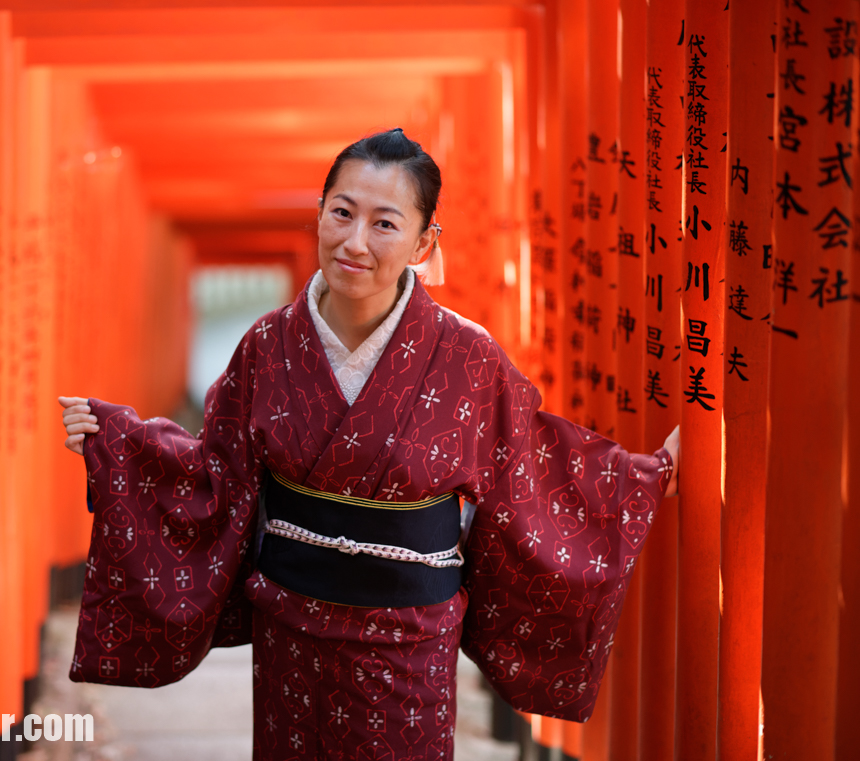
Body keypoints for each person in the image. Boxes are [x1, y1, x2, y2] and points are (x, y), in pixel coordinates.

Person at [58, 128, 680, 761]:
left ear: (423, 242)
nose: (355, 242)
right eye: (342, 213)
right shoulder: (268, 345)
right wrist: (121, 446)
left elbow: (532, 472)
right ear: (319, 216)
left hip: (411, 641)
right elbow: (212, 473)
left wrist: (638, 479)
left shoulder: (468, 357)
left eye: (385, 224)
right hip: (289, 631)